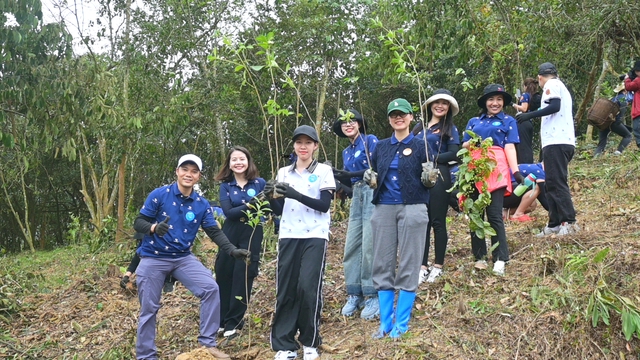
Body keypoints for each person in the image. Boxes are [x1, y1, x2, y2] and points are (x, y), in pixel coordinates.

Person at [133, 154, 251, 360]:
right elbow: (139, 221)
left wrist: (232, 250)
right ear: (177, 171)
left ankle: (207, 345)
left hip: (182, 258)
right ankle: (145, 355)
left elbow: (213, 231)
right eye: (185, 169)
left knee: (210, 289)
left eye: (194, 171)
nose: (189, 174)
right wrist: (153, 227)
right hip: (154, 257)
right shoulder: (159, 195)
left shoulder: (201, 204)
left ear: (199, 177)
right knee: (149, 308)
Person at [268, 125, 335, 360]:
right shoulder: (284, 172)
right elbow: (278, 209)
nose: (303, 146)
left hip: (315, 234)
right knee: (285, 288)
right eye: (299, 142)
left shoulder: (324, 171)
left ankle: (310, 341)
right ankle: (285, 345)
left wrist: (295, 194)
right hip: (288, 234)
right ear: (294, 146)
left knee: (308, 287)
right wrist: (269, 196)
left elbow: (324, 205)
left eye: (308, 142)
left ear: (315, 146)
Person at [366, 98, 430, 339]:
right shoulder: (380, 146)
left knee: (410, 262)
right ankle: (385, 323)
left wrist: (430, 178)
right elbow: (375, 173)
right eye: (393, 114)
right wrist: (369, 177)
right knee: (382, 263)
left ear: (411, 117)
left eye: (402, 114)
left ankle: (402, 323)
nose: (398, 117)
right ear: (389, 119)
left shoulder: (422, 143)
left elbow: (429, 176)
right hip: (383, 207)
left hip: (413, 207)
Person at [462, 84, 521, 276]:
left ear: (503, 102)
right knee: (475, 213)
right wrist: (473, 143)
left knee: (494, 214)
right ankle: (479, 257)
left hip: (496, 167)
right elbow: (464, 143)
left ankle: (500, 258)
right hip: (474, 167)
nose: (494, 103)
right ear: (485, 102)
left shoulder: (508, 120)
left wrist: (516, 171)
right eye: (491, 99)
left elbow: (510, 146)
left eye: (499, 99)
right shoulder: (473, 121)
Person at [516, 62, 579, 236]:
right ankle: (555, 223)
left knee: (557, 182)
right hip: (557, 141)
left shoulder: (552, 84)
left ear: (540, 77)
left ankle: (570, 222)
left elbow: (554, 106)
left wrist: (529, 114)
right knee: (550, 182)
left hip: (557, 141)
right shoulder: (560, 86)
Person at [213, 146, 267, 342]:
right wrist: (253, 204)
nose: (238, 162)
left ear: (248, 161)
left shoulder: (260, 183)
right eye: (234, 159)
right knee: (224, 272)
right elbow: (229, 213)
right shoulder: (226, 186)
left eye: (242, 159)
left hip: (252, 232)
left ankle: (233, 322)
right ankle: (221, 320)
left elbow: (268, 209)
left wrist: (251, 205)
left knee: (244, 274)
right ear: (229, 164)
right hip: (230, 232)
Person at [331, 109, 380, 320]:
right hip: (356, 196)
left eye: (352, 121)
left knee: (369, 244)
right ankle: (354, 292)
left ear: (359, 123)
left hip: (372, 192)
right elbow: (348, 181)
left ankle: (372, 294)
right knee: (352, 244)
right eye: (344, 123)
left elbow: (378, 168)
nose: (348, 124)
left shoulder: (370, 141)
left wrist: (350, 174)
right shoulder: (346, 152)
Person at [411, 89, 460, 284]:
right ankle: (422, 265)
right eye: (436, 102)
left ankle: (438, 265)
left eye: (444, 103)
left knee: (438, 221)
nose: (440, 106)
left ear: (449, 107)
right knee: (422, 221)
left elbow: (455, 153)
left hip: (439, 173)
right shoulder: (418, 127)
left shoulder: (450, 128)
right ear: (430, 105)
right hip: (418, 176)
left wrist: (433, 158)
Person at [594, 83, 633, 157]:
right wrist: (619, 120)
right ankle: (618, 152)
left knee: (602, 141)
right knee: (628, 136)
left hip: (604, 122)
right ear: (625, 90)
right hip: (614, 122)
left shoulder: (613, 98)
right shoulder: (622, 97)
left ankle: (596, 156)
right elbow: (622, 107)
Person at [513, 78, 539, 163]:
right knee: (527, 145)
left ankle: (523, 166)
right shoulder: (534, 96)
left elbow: (524, 109)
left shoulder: (525, 95)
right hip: (529, 123)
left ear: (525, 86)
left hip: (522, 122)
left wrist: (513, 104)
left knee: (522, 146)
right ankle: (530, 165)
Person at [623, 61, 640, 149]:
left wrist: (627, 78)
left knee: (637, 129)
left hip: (639, 110)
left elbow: (628, 86)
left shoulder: (638, 80)